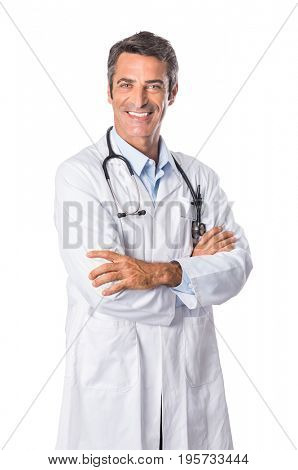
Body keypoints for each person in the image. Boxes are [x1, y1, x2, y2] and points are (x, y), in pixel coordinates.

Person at [54, 31, 253, 450]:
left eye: (154, 85)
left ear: (172, 92)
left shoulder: (200, 178)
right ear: (109, 91)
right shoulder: (81, 175)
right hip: (115, 387)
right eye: (127, 84)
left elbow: (237, 267)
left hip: (189, 384)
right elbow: (106, 288)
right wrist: (193, 278)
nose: (139, 100)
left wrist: (162, 272)